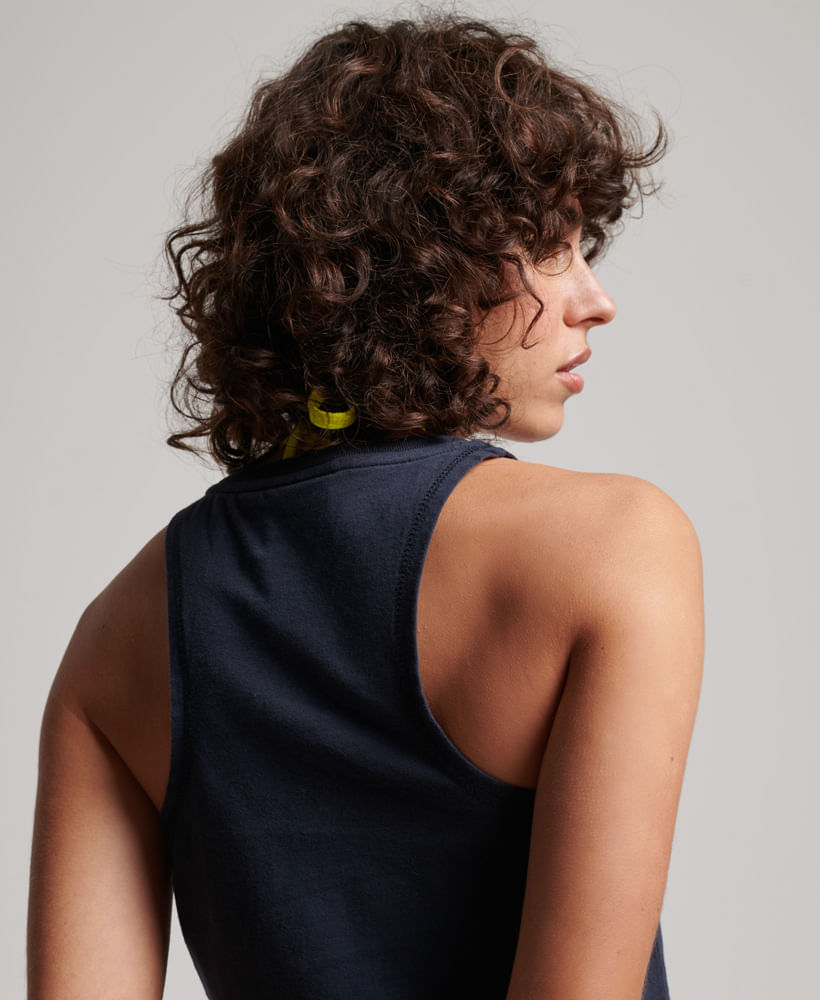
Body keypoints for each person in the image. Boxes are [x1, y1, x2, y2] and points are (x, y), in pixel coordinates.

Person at [26, 11, 704, 1000]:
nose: (595, 299)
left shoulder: (116, 636)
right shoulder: (614, 547)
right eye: (545, 246)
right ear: (415, 263)